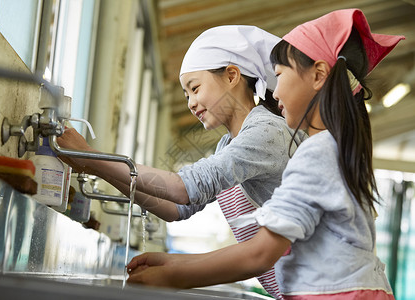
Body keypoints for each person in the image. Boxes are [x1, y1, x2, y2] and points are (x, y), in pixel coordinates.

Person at [126, 9, 405, 299]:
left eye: (280, 75)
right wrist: (172, 262)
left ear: (319, 75)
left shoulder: (313, 150)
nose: (275, 90)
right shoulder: (326, 147)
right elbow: (264, 249)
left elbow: (259, 254)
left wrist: (171, 275)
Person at [58, 25, 305, 299]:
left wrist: (91, 156)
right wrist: (93, 164)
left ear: (232, 75)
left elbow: (182, 188)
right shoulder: (229, 145)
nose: (190, 102)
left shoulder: (266, 132)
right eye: (186, 94)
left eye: (195, 88)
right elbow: (174, 207)